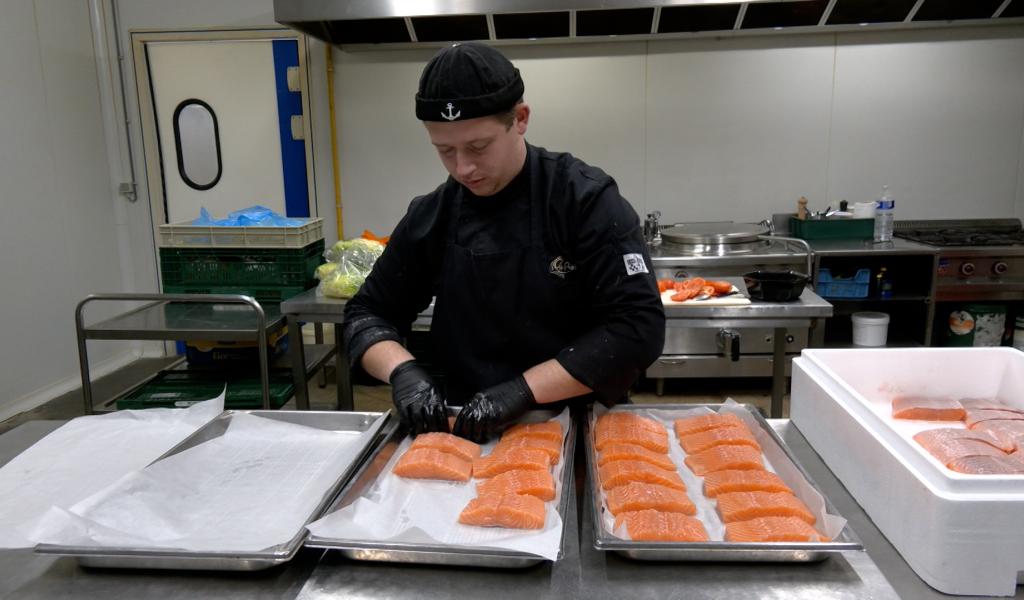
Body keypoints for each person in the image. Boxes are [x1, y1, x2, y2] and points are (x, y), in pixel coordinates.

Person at [342, 42, 665, 442]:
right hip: (468, 426)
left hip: (581, 421)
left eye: (478, 147)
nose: (463, 168)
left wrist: (523, 390)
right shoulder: (433, 214)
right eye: (445, 150)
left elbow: (638, 327)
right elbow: (367, 313)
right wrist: (402, 370)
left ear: (521, 118)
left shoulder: (584, 199)